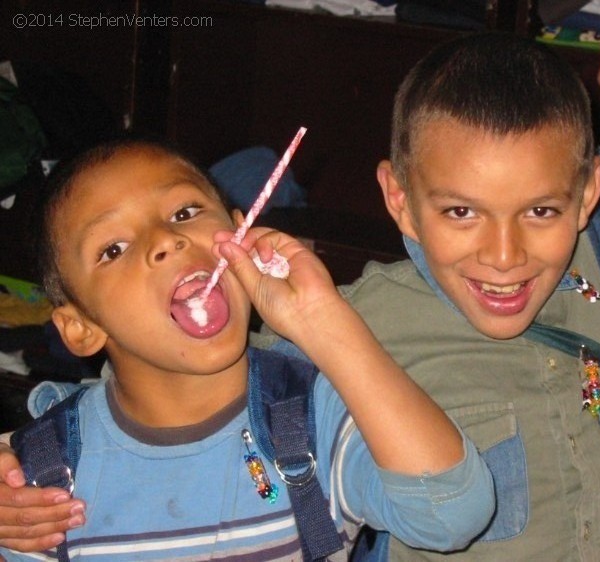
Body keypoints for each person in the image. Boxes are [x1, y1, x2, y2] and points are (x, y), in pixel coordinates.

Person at [0, 16, 600, 560]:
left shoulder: (593, 249)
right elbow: (187, 373)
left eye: (541, 211)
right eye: (461, 211)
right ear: (400, 202)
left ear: (583, 199)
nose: (506, 255)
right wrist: (28, 451)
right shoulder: (351, 327)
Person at [0, 137, 495, 561]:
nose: (167, 240)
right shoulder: (44, 478)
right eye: (113, 248)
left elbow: (452, 514)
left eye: (184, 212)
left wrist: (325, 322)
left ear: (243, 233)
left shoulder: (312, 416)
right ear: (81, 327)